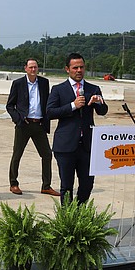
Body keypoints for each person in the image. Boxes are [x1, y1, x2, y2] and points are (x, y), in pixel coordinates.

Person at [46, 52, 108, 204]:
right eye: (75, 67)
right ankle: (68, 219)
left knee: (87, 185)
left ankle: (80, 214)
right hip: (65, 146)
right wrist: (73, 106)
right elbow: (49, 112)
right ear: (67, 69)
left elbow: (103, 111)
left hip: (87, 146)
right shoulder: (58, 89)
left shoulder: (93, 89)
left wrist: (98, 102)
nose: (79, 70)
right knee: (67, 186)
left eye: (81, 67)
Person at [6, 58, 59, 196]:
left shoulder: (44, 83)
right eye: (31, 67)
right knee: (17, 154)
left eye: (35, 67)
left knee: (47, 154)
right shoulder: (18, 84)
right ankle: (14, 183)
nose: (33, 70)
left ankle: (46, 186)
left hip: (39, 125)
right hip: (24, 124)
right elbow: (10, 105)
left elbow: (47, 102)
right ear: (25, 68)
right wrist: (18, 119)